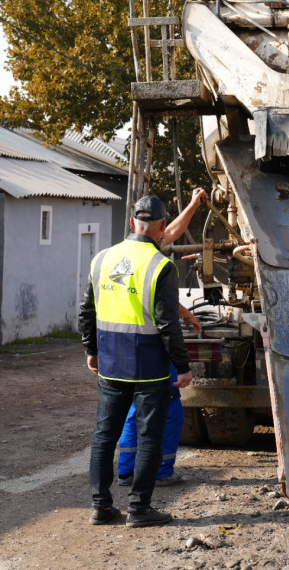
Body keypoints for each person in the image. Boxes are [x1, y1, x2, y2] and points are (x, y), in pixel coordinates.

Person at [79, 194, 193, 527]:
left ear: (132, 223)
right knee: (149, 437)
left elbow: (87, 311)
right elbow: (168, 323)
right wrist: (183, 366)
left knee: (104, 434)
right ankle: (139, 509)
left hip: (111, 363)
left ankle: (101, 507)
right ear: (161, 228)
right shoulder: (161, 265)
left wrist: (91, 350)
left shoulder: (102, 258)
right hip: (149, 366)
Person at [117, 189, 207, 488]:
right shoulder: (156, 260)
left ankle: (126, 470)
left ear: (134, 222)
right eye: (164, 229)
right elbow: (162, 306)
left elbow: (174, 231)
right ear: (159, 226)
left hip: (122, 348)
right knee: (169, 411)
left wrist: (193, 204)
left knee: (133, 410)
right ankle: (162, 471)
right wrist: (186, 319)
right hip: (152, 347)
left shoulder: (118, 256)